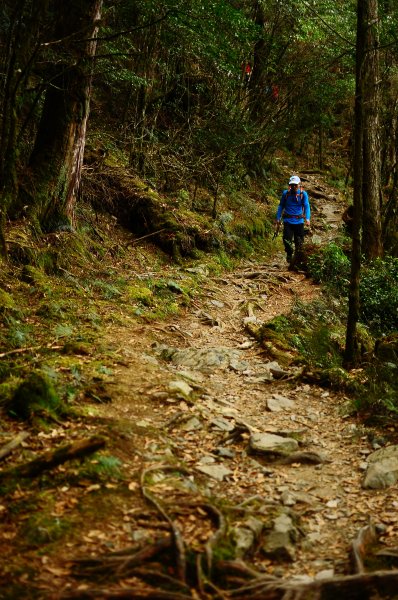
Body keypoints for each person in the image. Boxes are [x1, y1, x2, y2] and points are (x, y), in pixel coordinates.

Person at [275, 175, 310, 268]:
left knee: (299, 242)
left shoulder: (303, 194)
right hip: (288, 221)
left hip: (299, 221)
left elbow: (306, 206)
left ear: (299, 184)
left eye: (295, 185)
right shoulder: (285, 194)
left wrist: (307, 218)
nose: (294, 187)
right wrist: (278, 218)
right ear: (289, 185)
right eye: (292, 185)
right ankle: (289, 254)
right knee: (287, 240)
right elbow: (281, 206)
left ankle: (297, 260)